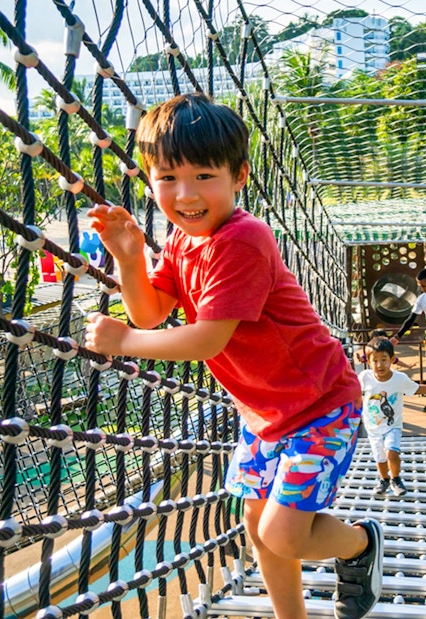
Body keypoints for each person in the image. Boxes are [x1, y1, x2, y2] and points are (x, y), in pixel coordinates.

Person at [84, 92, 383, 619]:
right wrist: (129, 260)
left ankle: (360, 544)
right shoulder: (180, 241)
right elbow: (151, 314)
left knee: (283, 534)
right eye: (168, 178)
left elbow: (204, 340)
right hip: (263, 414)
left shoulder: (242, 239)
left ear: (239, 175)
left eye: (204, 176)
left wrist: (124, 343)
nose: (186, 193)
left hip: (319, 405)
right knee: (257, 527)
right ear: (150, 180)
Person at [358, 336, 426, 497]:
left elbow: (416, 389)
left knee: (391, 453)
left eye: (384, 359)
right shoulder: (365, 377)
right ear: (368, 361)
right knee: (380, 458)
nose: (380, 364)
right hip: (372, 427)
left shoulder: (399, 379)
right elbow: (352, 390)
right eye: (375, 360)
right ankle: (384, 479)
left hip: (392, 425)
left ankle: (396, 478)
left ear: (392, 359)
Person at [390, 268, 426, 346]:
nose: (422, 289)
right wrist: (397, 336)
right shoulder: (421, 299)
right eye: (420, 286)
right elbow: (410, 320)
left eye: (424, 286)